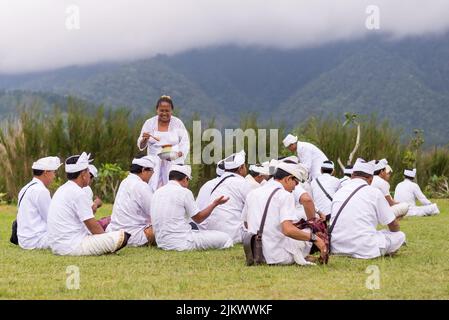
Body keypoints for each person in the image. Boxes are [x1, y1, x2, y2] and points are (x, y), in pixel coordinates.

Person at [243, 162, 327, 265]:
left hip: (256, 253)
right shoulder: (285, 195)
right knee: (309, 228)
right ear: (288, 179)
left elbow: (246, 224)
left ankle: (302, 256)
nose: (295, 187)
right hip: (277, 256)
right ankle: (302, 256)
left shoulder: (252, 193)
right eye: (295, 183)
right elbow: (288, 230)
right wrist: (315, 238)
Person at [47, 153, 130, 256]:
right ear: (83, 174)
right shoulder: (77, 192)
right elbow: (93, 226)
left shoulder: (63, 189)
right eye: (87, 171)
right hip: (72, 246)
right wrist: (104, 239)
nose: (88, 174)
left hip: (58, 246)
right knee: (122, 236)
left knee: (112, 233)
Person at [329, 158, 406, 259]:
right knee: (400, 235)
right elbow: (393, 225)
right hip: (365, 249)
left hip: (336, 247)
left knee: (380, 233)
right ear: (370, 179)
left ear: (352, 176)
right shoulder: (374, 192)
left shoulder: (339, 192)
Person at [150, 164, 233, 251]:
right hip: (182, 242)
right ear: (186, 179)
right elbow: (198, 219)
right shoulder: (184, 192)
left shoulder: (157, 192)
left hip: (161, 243)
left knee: (194, 227)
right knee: (226, 238)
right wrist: (215, 204)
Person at [137, 95, 190, 192]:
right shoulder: (149, 123)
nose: (164, 113)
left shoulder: (178, 123)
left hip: (172, 161)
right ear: (157, 110)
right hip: (154, 162)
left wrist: (179, 153)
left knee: (172, 188)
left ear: (172, 111)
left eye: (167, 111)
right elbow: (141, 145)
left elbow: (185, 142)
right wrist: (144, 139)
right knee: (152, 187)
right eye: (162, 110)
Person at [106, 156, 158, 246]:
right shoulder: (141, 186)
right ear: (143, 170)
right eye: (151, 171)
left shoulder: (125, 181)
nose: (152, 174)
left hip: (114, 233)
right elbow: (154, 212)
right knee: (165, 224)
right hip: (133, 236)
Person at [204, 150, 253, 244]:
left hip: (212, 234)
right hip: (233, 234)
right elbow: (255, 207)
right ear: (241, 168)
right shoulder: (242, 183)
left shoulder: (216, 182)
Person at [15, 156, 61, 250]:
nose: (54, 176)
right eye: (53, 172)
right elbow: (51, 219)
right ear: (45, 172)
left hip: (24, 239)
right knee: (71, 234)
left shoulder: (26, 187)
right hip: (36, 240)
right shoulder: (41, 191)